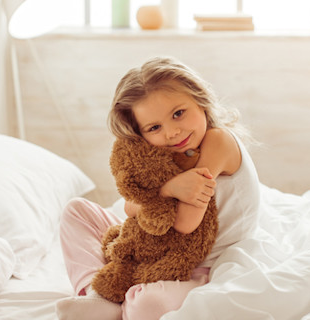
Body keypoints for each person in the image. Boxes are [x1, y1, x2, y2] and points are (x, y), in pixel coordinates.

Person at [56, 56, 260, 320]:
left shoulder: (217, 141)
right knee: (76, 211)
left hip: (206, 266)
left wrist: (158, 195)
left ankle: (117, 305)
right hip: (158, 250)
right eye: (154, 127)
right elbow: (130, 206)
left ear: (200, 100)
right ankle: (99, 295)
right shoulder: (165, 154)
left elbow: (186, 223)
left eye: (178, 113)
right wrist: (168, 189)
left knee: (147, 303)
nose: (172, 132)